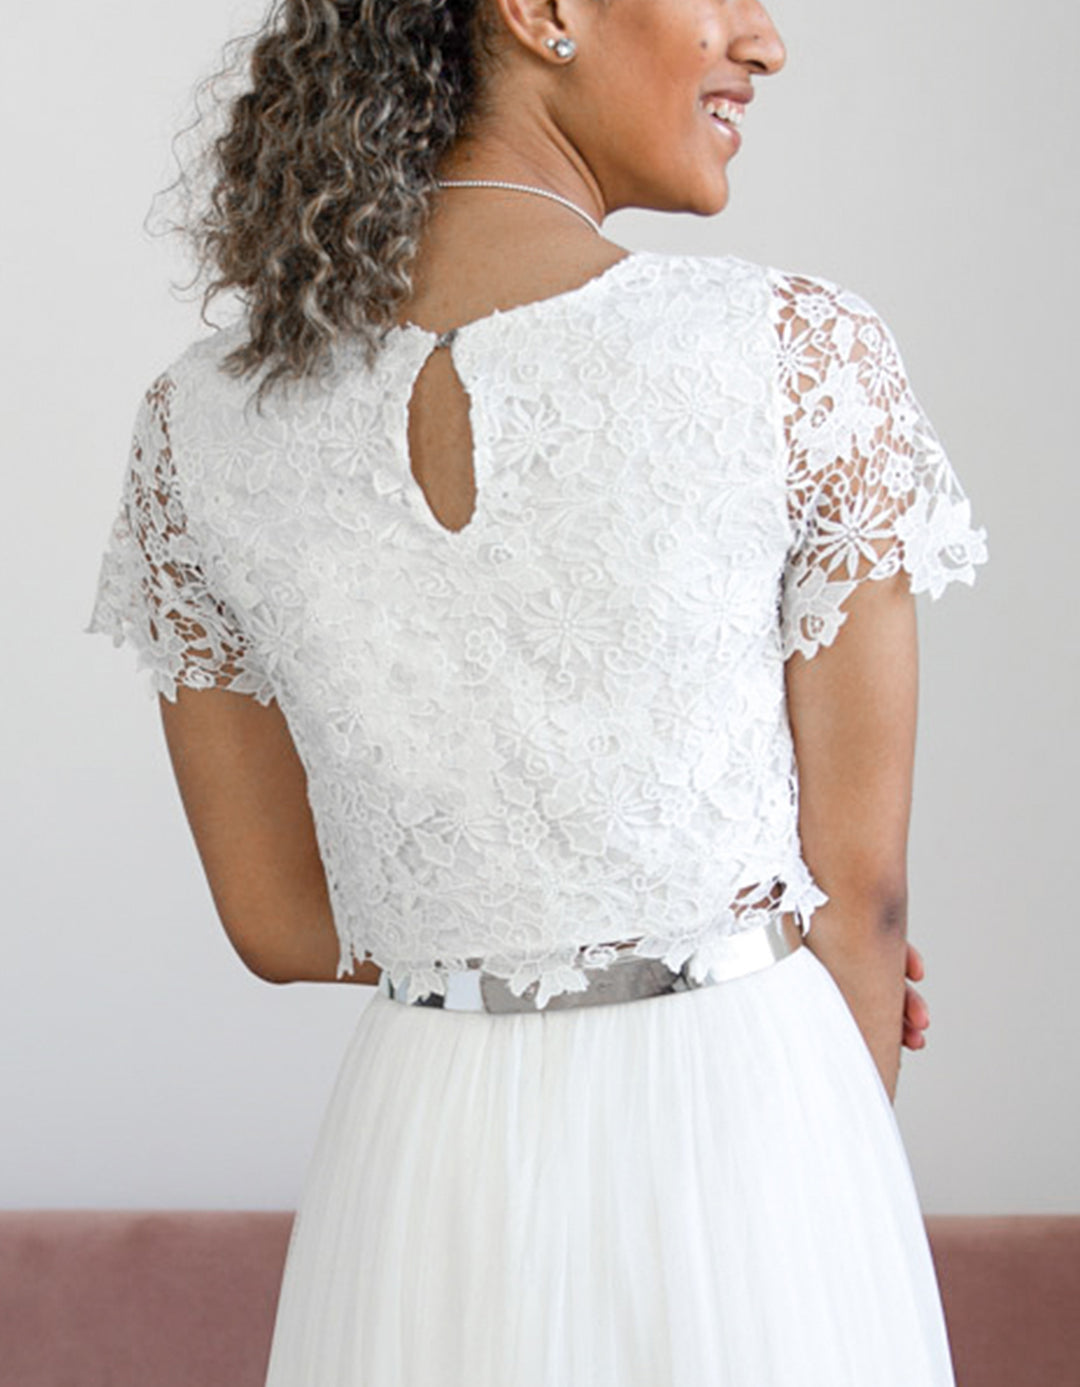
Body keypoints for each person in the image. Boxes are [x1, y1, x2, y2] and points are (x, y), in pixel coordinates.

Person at [85, 0, 989, 1382]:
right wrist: (747, 984)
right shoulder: (798, 353)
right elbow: (860, 901)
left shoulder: (196, 422)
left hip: (426, 1149)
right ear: (544, 12)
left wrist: (517, 916)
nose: (765, 41)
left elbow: (273, 919)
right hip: (741, 1118)